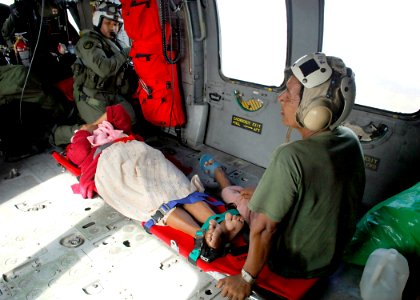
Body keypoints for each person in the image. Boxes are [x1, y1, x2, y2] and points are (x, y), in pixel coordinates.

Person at [199, 53, 366, 299]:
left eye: (290, 94)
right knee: (249, 194)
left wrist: (245, 278)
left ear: (316, 110)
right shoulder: (350, 140)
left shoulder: (291, 156)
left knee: (241, 201)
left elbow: (264, 229)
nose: (281, 98)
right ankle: (231, 189)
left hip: (294, 265)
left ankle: (221, 186)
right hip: (330, 257)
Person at [65, 104, 245, 260]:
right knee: (150, 195)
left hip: (138, 151)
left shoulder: (109, 128)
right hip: (110, 163)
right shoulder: (84, 143)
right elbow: (78, 154)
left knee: (175, 183)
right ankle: (202, 234)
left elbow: (119, 113)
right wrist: (82, 133)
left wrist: (93, 125)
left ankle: (216, 223)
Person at [53, 1, 137, 146]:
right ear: (98, 22)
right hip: (90, 96)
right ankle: (60, 134)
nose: (113, 27)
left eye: (116, 24)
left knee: (131, 120)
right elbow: (104, 69)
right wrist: (126, 52)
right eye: (108, 23)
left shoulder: (114, 44)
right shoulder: (89, 42)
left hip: (110, 94)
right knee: (102, 130)